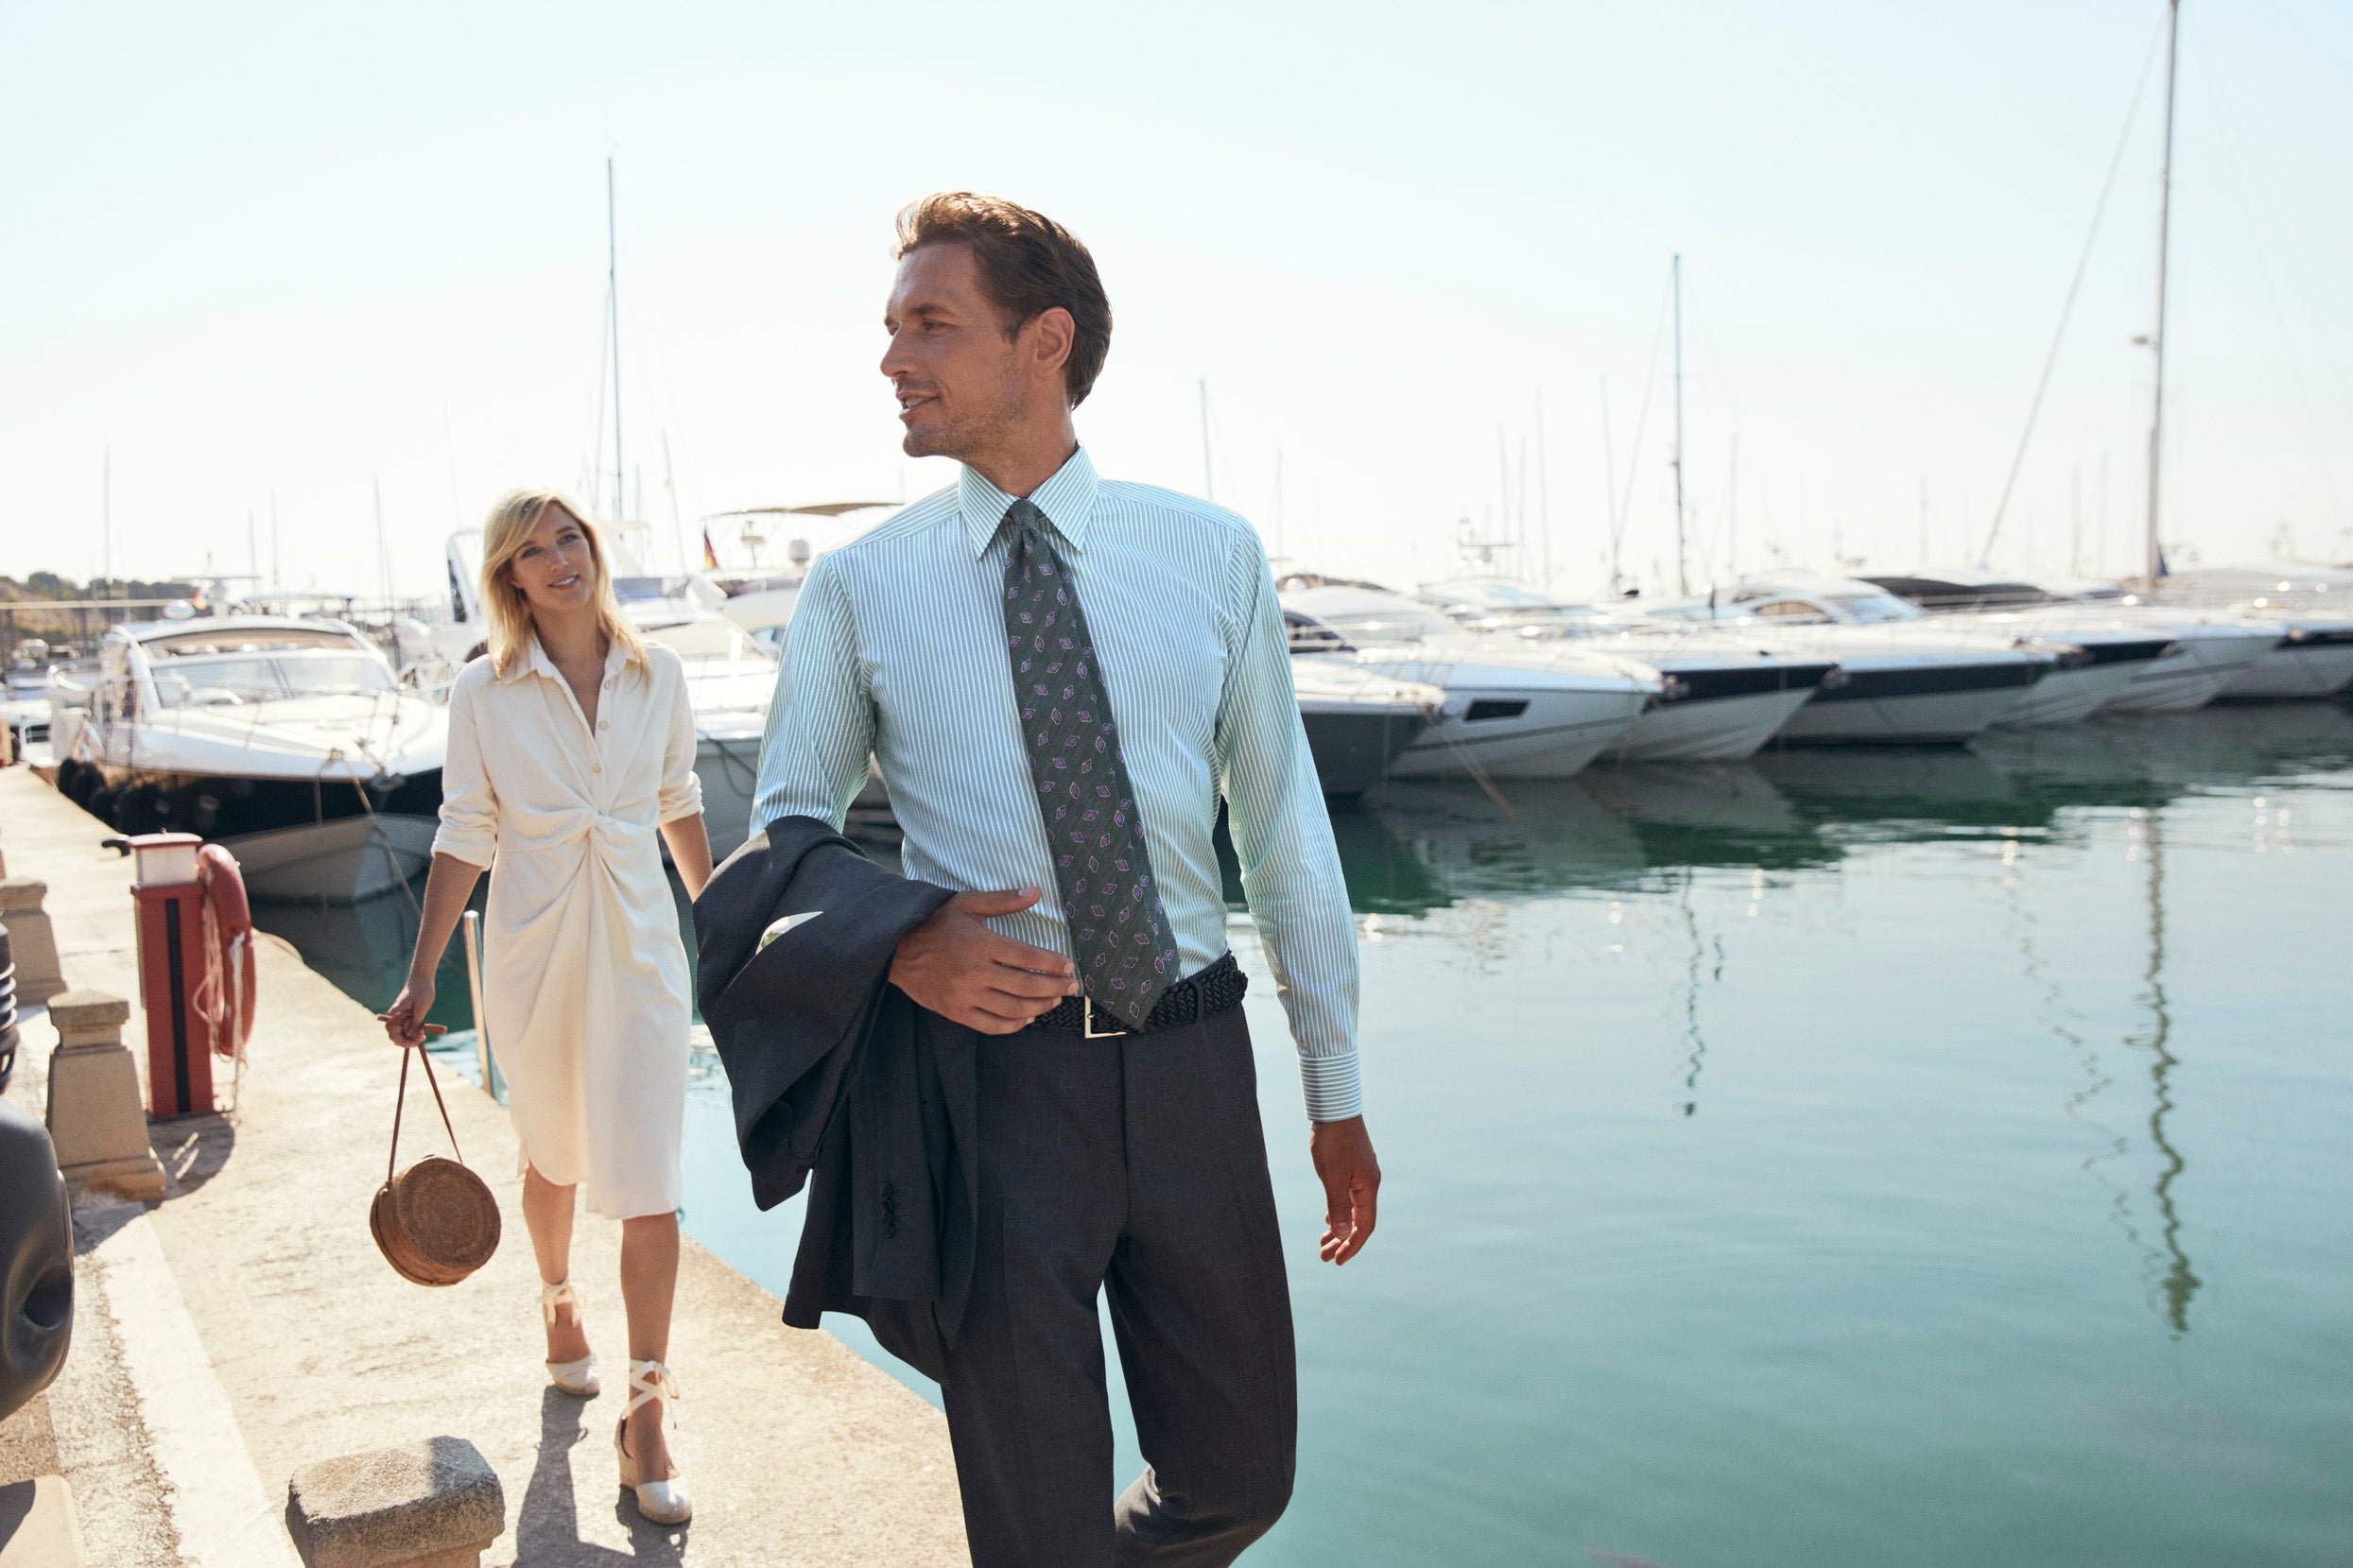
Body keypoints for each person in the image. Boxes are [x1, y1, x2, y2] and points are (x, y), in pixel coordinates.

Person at [754, 192, 1382, 1566]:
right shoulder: (860, 586)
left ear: (1045, 341)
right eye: (890, 325)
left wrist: (1333, 1089)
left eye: (932, 324)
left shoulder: (1208, 554)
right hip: (986, 1087)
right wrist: (902, 941)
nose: (893, 359)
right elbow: (784, 839)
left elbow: (1283, 838)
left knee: (1240, 1477)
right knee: (1033, 1525)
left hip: (1192, 1067)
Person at [384, 489, 712, 1528]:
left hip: (644, 951)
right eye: (532, 551)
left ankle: (647, 1413)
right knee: (554, 1157)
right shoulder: (484, 689)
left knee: (652, 1179)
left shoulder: (658, 674)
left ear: (590, 550)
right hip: (531, 950)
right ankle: (559, 1302)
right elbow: (463, 830)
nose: (559, 559)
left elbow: (679, 802)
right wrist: (423, 970)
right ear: (510, 579)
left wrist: (729, 929)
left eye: (568, 538)